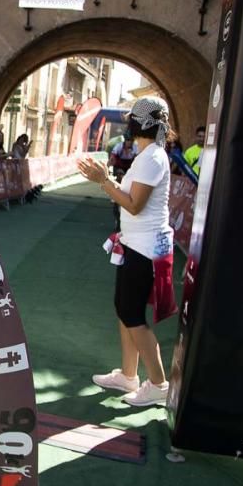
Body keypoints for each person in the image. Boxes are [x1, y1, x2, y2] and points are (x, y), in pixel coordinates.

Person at [76, 97, 176, 407]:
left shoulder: (152, 157)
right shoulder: (148, 155)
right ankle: (129, 375)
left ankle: (158, 384)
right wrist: (108, 180)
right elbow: (131, 197)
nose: (127, 123)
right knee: (125, 308)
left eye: (131, 118)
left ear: (140, 124)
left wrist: (103, 180)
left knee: (132, 313)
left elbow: (134, 203)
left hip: (145, 248)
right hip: (136, 243)